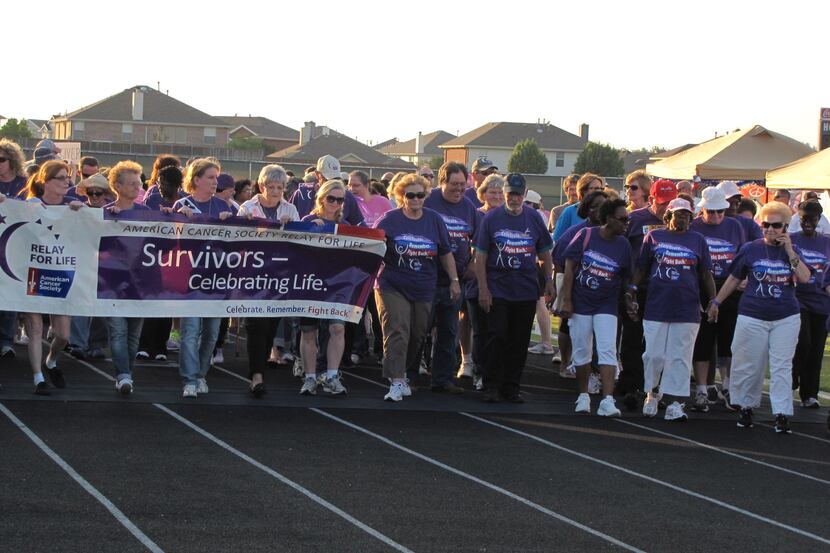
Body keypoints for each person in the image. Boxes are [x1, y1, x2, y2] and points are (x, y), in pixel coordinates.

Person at [707, 201, 811, 433]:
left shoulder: (793, 250)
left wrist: (790, 252)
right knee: (748, 363)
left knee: (781, 365)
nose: (771, 229)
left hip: (785, 316)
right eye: (766, 225)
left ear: (785, 227)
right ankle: (746, 406)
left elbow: (804, 277)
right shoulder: (750, 248)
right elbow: (734, 278)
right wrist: (717, 302)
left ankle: (782, 412)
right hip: (752, 314)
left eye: (776, 225)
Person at [2, 161, 86, 393]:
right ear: (46, 181)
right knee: (35, 328)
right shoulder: (30, 204)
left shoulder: (72, 206)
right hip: (32, 273)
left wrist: (82, 212)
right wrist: (4, 204)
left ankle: (51, 361)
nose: (66, 182)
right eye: (60, 178)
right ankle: (38, 377)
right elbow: (11, 214)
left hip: (60, 274)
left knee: (63, 335)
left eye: (67, 177)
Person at [374, 174, 458, 401]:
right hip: (392, 284)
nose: (415, 199)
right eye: (410, 195)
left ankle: (403, 371)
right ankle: (396, 380)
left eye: (420, 195)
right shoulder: (388, 220)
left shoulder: (434, 220)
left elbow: (445, 252)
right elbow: (371, 246)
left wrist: (454, 280)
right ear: (401, 196)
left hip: (423, 286)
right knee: (398, 329)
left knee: (418, 334)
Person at [631, 198, 715, 421]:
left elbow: (706, 274)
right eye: (679, 215)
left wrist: (714, 301)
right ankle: (652, 392)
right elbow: (641, 268)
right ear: (668, 216)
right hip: (657, 306)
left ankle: (676, 403)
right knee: (653, 355)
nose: (683, 219)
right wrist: (631, 290)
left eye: (687, 216)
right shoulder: (654, 237)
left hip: (687, 308)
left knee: (680, 357)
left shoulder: (698, 240)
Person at [474, 173, 554, 403]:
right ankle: (491, 384)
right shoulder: (491, 219)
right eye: (510, 194)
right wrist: (483, 289)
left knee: (519, 341)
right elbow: (480, 257)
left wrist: (548, 280)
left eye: (519, 195)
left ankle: (511, 386)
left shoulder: (534, 218)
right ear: (505, 193)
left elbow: (545, 253)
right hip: (498, 288)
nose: (514, 198)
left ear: (525, 194)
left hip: (526, 289)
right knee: (497, 336)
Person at [560, 198, 633, 416]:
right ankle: (583, 395)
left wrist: (629, 298)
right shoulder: (586, 236)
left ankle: (607, 400)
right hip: (581, 302)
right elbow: (570, 268)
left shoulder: (624, 245)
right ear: (609, 219)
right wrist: (567, 299)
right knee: (582, 350)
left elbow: (626, 278)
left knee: (607, 349)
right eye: (622, 219)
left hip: (606, 304)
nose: (626, 223)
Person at [237, 164, 301, 397]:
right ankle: (256, 376)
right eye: (271, 187)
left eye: (280, 187)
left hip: (278, 277)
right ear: (262, 186)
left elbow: (299, 243)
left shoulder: (291, 209)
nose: (275, 191)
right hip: (253, 277)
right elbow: (237, 239)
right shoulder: (248, 207)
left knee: (271, 326)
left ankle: (259, 369)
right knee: (256, 325)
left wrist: (291, 226)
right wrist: (245, 222)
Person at [173, 159, 234, 398]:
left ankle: (200, 374)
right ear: (196, 179)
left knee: (211, 332)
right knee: (190, 330)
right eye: (210, 177)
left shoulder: (224, 206)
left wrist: (234, 220)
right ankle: (189, 378)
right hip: (190, 279)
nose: (214, 182)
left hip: (217, 279)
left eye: (216, 178)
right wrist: (180, 219)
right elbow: (171, 245)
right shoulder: (182, 204)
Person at [617, 178, 676, 408]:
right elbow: (620, 248)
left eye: (671, 203)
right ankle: (631, 383)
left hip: (664, 291)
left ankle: (654, 387)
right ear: (651, 199)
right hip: (636, 287)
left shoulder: (679, 222)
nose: (667, 209)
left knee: (659, 343)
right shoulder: (635, 219)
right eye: (663, 203)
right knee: (632, 336)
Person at [688, 186, 747, 411]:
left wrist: (744, 278)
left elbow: (742, 255)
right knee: (703, 340)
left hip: (730, 286)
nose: (716, 217)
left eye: (720, 212)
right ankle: (702, 389)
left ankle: (728, 385)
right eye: (711, 212)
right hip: (702, 287)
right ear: (702, 210)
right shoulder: (694, 227)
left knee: (729, 339)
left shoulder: (734, 226)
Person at [423, 161, 477, 394]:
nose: (459, 190)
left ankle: (442, 379)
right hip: (426, 278)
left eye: (463, 185)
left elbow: (479, 242)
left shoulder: (469, 208)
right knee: (419, 330)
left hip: (455, 281)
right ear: (442, 181)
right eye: (454, 184)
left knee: (449, 331)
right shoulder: (428, 200)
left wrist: (472, 265)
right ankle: (409, 374)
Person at [297, 180, 353, 396]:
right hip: (309, 283)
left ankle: (331, 375)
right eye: (331, 198)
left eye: (339, 200)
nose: (335, 203)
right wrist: (310, 229)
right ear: (321, 198)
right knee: (308, 331)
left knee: (337, 328)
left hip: (336, 285)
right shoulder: (308, 220)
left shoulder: (345, 225)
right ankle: (310, 377)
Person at [101, 161, 150, 395]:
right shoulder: (106, 213)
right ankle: (123, 375)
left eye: (138, 183)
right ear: (117, 186)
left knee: (133, 335)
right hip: (111, 284)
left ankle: (126, 374)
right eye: (131, 184)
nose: (136, 188)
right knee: (118, 331)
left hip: (140, 284)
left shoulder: (149, 214)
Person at [67, 173, 114, 360]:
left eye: (98, 193)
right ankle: (77, 343)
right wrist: (72, 211)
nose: (94, 197)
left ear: (106, 195)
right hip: (82, 262)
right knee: (79, 304)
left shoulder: (114, 213)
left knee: (101, 307)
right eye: (90, 193)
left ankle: (96, 344)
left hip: (106, 265)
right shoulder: (78, 211)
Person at [464, 174, 505, 389]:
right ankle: (479, 372)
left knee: (499, 331)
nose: (497, 196)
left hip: (503, 284)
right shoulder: (476, 216)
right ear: (483, 194)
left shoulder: (510, 217)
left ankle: (497, 372)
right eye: (492, 192)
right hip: (477, 281)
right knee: (480, 330)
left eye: (500, 192)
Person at [789, 201, 830, 408]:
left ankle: (809, 394)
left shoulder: (827, 242)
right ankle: (793, 375)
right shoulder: (792, 239)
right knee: (803, 341)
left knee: (816, 349)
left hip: (822, 302)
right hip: (798, 300)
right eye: (804, 219)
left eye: (812, 220)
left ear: (818, 220)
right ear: (799, 217)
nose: (807, 223)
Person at [0, 139, 29, 358]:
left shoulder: (25, 183)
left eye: (1, 160)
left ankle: (6, 340)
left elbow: (35, 207)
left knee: (9, 293)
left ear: (12, 160)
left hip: (17, 245)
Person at [552, 173, 604, 241]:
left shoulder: (606, 211)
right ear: (583, 191)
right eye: (595, 188)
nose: (599, 191)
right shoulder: (569, 211)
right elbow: (558, 239)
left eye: (601, 188)